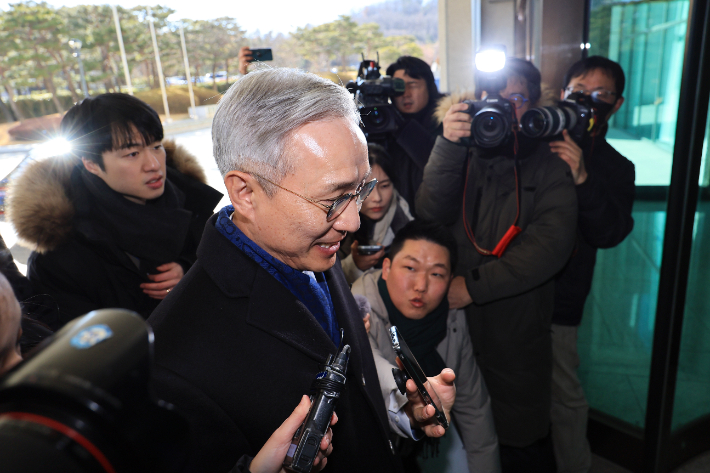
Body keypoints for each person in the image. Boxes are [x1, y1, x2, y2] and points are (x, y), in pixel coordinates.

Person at [147, 66, 457, 473]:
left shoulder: (310, 250)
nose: (352, 223)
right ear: (245, 192)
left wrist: (404, 413)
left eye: (360, 190)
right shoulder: (174, 359)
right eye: (332, 200)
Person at [416, 57, 578, 472]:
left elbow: (549, 247)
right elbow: (430, 213)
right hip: (455, 323)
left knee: (520, 428)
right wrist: (449, 144)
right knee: (462, 421)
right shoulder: (465, 150)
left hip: (518, 320)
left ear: (535, 103)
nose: (506, 107)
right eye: (495, 97)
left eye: (518, 98)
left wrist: (470, 287)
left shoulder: (549, 162)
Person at [6, 94, 223, 330]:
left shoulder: (195, 205)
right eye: (132, 154)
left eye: (156, 146)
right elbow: (83, 350)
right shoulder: (60, 254)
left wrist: (190, 269)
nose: (153, 164)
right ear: (91, 164)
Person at [352, 220, 501, 473]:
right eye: (410, 267)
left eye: (436, 274)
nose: (421, 285)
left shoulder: (451, 318)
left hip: (425, 439)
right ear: (386, 268)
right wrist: (411, 401)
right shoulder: (359, 309)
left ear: (451, 279)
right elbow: (372, 367)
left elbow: (475, 412)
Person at [548, 56, 635, 473]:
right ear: (563, 92)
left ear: (617, 105)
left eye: (601, 96)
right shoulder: (536, 139)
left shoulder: (618, 166)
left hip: (562, 298)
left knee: (564, 393)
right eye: (580, 92)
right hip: (506, 291)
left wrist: (583, 178)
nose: (588, 103)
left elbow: (611, 232)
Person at [339, 143, 414, 283]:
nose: (377, 198)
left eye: (385, 186)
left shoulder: (404, 222)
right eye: (367, 189)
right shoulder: (336, 221)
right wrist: (354, 265)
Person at [381, 56, 444, 210]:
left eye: (413, 85)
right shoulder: (383, 125)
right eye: (398, 87)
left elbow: (441, 169)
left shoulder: (448, 123)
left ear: (429, 87)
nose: (405, 93)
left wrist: (402, 128)